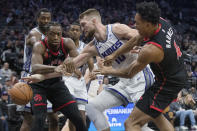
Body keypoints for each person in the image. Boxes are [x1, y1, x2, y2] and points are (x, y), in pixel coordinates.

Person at [22, 8, 153, 131]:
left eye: (84, 24)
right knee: (91, 107)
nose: (82, 28)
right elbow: (69, 66)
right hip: (124, 81)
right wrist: (42, 77)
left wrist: (116, 54)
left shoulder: (115, 29)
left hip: (141, 77)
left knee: (136, 126)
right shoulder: (92, 47)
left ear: (94, 21)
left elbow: (139, 36)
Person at [102, 2, 188, 131]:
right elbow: (137, 39)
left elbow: (129, 73)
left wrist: (110, 71)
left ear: (147, 24)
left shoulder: (151, 49)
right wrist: (114, 55)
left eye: (137, 23)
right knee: (156, 115)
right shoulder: (159, 21)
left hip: (167, 84)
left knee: (131, 124)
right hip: (177, 72)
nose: (134, 26)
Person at [23, 21, 87, 131]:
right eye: (52, 34)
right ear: (47, 34)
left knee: (77, 117)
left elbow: (79, 60)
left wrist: (71, 62)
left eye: (59, 34)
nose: (56, 37)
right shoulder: (39, 46)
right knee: (39, 118)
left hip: (56, 84)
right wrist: (55, 68)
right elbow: (35, 67)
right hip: (38, 85)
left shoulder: (67, 43)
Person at [18, 8, 59, 131]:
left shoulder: (52, 35)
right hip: (30, 77)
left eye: (48, 18)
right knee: (29, 119)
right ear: (38, 19)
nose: (46, 21)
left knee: (54, 119)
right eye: (43, 18)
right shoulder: (34, 34)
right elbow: (38, 45)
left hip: (47, 77)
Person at [61, 23, 93, 131]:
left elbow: (90, 61)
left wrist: (92, 71)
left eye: (77, 30)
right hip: (67, 79)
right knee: (73, 113)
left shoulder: (85, 46)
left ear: (80, 32)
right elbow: (60, 62)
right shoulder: (63, 45)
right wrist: (74, 69)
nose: (74, 32)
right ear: (68, 32)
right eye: (72, 30)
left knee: (82, 115)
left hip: (80, 82)